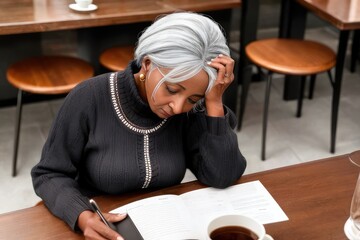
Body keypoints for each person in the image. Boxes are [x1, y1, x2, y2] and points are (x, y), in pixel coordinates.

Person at [31, 12, 247, 240]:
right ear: (147, 63)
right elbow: (48, 174)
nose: (177, 107)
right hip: (103, 229)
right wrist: (82, 216)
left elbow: (222, 176)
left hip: (167, 228)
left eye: (193, 98)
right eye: (172, 90)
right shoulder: (89, 98)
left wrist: (213, 102)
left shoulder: (193, 111)